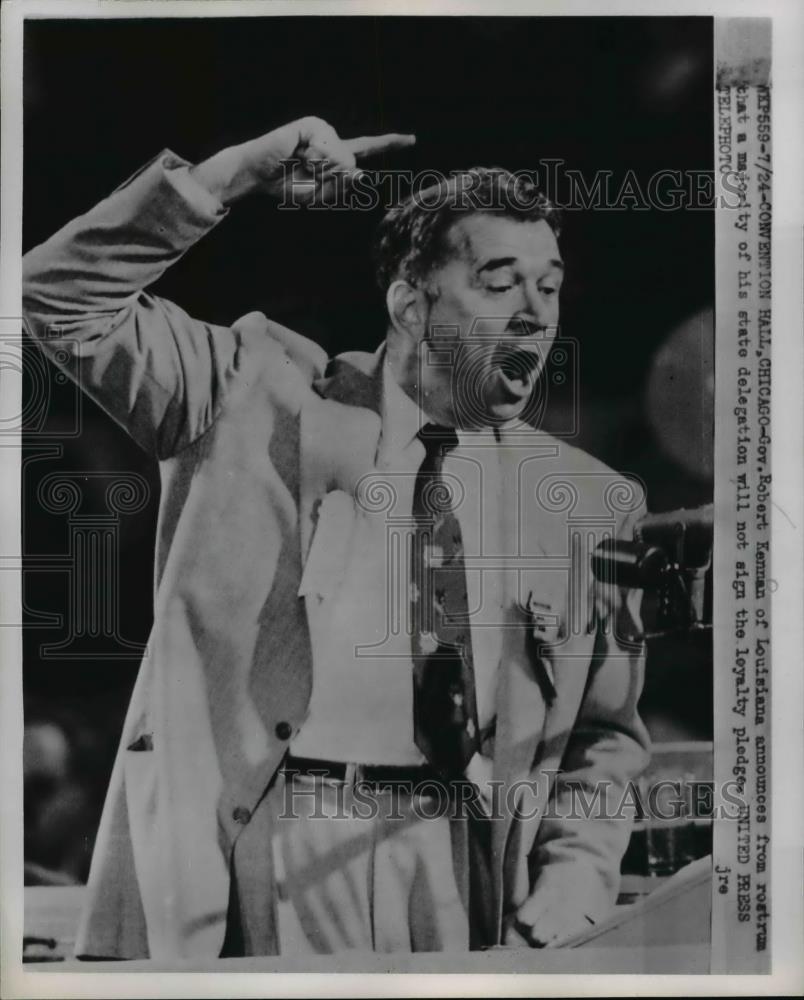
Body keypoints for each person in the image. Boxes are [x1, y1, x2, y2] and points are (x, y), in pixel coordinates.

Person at [23, 116, 651, 960]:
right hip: (264, 846)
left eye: (550, 286)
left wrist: (580, 868)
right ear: (409, 302)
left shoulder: (588, 502)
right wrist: (233, 174)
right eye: (500, 283)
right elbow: (54, 296)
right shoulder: (244, 395)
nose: (537, 314)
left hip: (460, 863)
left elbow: (604, 740)